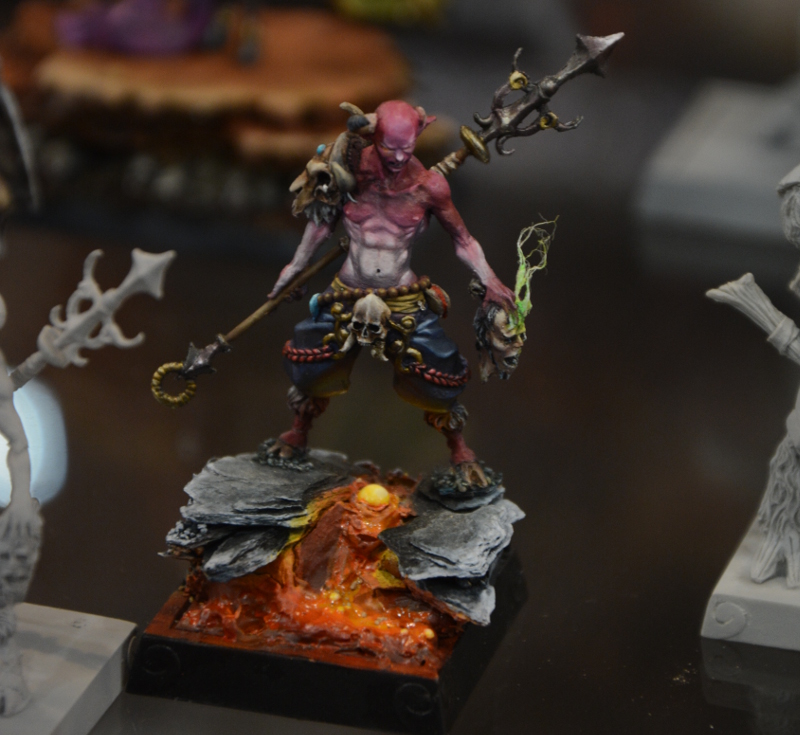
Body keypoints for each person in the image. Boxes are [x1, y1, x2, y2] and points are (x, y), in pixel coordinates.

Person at [267, 100, 515, 486]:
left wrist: (490, 279)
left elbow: (463, 240)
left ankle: (459, 449)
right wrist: (295, 267)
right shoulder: (346, 172)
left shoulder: (430, 186)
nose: (399, 158)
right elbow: (321, 224)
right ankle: (298, 431)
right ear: (373, 135)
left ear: (419, 135)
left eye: (407, 147)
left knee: (440, 371)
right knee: (309, 359)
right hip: (346, 291)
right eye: (388, 147)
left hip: (402, 295)